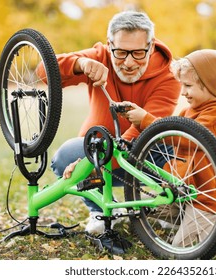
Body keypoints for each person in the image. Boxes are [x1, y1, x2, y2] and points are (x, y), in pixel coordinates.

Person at [37, 11, 181, 234]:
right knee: (65, 157)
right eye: (121, 52)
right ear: (110, 44)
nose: (129, 62)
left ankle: (166, 205)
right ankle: (101, 210)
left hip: (143, 153)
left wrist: (98, 160)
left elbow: (144, 129)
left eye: (138, 53)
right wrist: (80, 63)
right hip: (98, 148)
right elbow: (43, 71)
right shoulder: (100, 56)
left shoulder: (169, 76)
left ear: (151, 47)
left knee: (180, 155)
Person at [117, 49, 216, 245]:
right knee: (144, 212)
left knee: (180, 247)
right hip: (186, 192)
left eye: (188, 85)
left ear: (210, 84)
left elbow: (188, 137)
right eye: (182, 85)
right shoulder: (189, 111)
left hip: (206, 201)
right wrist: (140, 123)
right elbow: (169, 134)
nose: (183, 92)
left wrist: (147, 120)